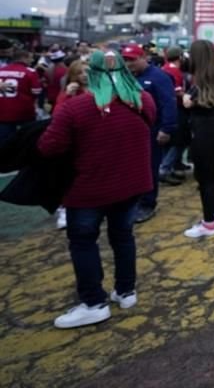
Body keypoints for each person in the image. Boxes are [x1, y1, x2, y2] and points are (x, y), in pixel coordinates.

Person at [37, 50, 155, 328]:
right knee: (123, 236)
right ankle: (126, 291)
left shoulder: (75, 107)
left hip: (90, 188)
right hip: (132, 183)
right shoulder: (142, 100)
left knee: (83, 242)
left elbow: (48, 146)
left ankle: (93, 302)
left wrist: (66, 97)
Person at [122, 44, 176, 223]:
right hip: (131, 132)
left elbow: (168, 103)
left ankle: (147, 203)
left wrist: (166, 128)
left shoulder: (159, 77)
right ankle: (134, 200)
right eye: (126, 60)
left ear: (144, 58)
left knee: (149, 168)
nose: (129, 64)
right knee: (132, 167)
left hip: (152, 130)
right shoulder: (126, 77)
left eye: (133, 60)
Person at [181, 40, 214, 238]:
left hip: (203, 130)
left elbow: (187, 102)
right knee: (211, 176)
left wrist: (185, 97)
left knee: (205, 179)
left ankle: (209, 222)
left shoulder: (200, 80)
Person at [52, 58, 91, 230]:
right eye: (80, 73)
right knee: (69, 176)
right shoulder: (69, 92)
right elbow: (57, 116)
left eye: (87, 72)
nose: (84, 76)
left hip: (92, 140)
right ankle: (64, 209)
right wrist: (67, 95)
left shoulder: (100, 90)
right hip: (73, 142)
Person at [159, 46, 189, 186]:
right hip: (176, 108)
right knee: (176, 141)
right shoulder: (174, 70)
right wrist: (192, 97)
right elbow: (178, 92)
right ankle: (164, 169)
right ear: (180, 57)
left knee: (170, 141)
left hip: (165, 108)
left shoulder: (164, 67)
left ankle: (170, 167)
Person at [0, 49, 42, 148]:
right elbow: (37, 91)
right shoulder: (30, 72)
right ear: (24, 58)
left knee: (4, 141)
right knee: (27, 138)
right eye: (30, 58)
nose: (32, 60)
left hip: (2, 111)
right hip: (24, 111)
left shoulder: (1, 70)